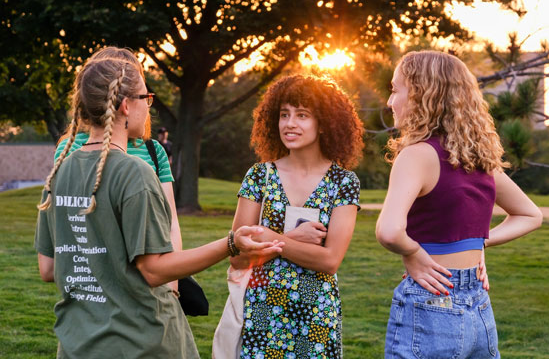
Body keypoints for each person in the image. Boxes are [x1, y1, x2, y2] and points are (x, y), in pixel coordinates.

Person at [34, 47, 283, 359]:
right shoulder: (134, 172)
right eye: (145, 98)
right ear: (126, 105)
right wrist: (231, 244)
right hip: (141, 342)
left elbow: (49, 267)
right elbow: (154, 270)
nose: (148, 107)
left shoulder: (60, 171)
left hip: (76, 344)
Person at [376, 50, 543, 358]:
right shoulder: (478, 160)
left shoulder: (416, 155)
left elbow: (388, 231)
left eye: (395, 89)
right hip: (478, 303)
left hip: (431, 299)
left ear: (420, 94)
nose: (390, 102)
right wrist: (480, 244)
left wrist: (412, 252)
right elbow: (530, 214)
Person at [230, 75, 364, 358]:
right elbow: (238, 256)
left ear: (324, 123)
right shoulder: (259, 176)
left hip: (317, 316)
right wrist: (291, 238)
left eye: (302, 115)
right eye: (284, 115)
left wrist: (268, 237)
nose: (290, 123)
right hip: (263, 313)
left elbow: (329, 260)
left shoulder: (344, 183)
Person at [53, 47, 183, 293]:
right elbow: (65, 225)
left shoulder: (154, 151)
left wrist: (172, 286)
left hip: (149, 281)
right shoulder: (71, 150)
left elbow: (171, 223)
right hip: (94, 286)